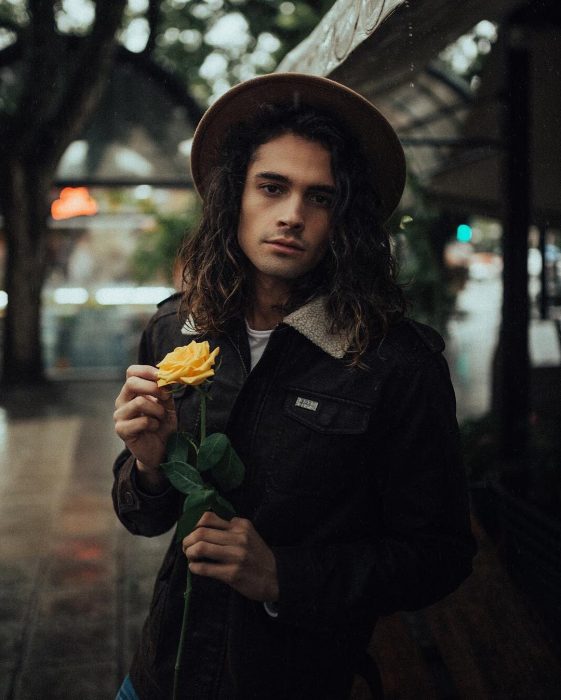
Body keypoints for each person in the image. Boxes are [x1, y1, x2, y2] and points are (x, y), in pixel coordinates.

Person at [112, 73, 475, 700]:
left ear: (345, 219)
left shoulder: (395, 362)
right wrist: (147, 467)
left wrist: (285, 576)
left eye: (321, 198)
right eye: (272, 187)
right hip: (159, 673)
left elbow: (439, 554)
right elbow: (145, 519)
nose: (292, 215)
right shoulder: (176, 325)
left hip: (294, 678)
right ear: (236, 196)